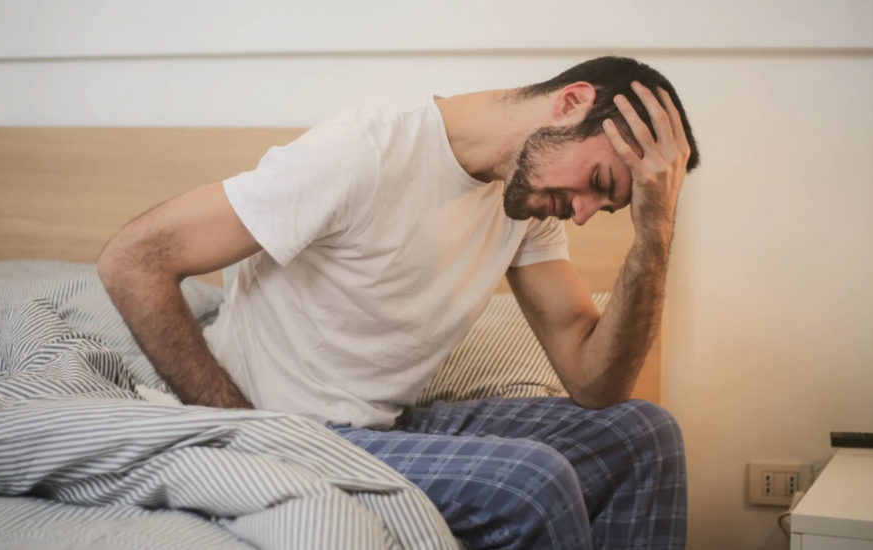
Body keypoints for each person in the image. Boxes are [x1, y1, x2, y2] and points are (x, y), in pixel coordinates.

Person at [98, 56, 700, 549]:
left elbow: (594, 383)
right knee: (532, 484)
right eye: (597, 183)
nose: (586, 213)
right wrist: (245, 429)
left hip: (385, 426)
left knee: (643, 434)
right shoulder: (363, 153)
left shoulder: (526, 203)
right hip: (294, 430)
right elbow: (134, 259)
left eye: (610, 207)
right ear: (570, 103)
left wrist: (654, 232)